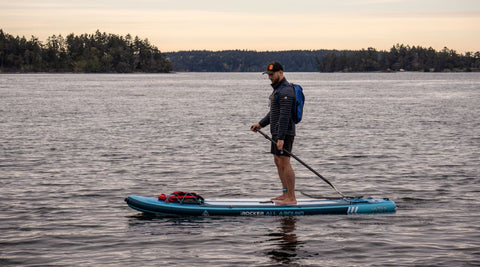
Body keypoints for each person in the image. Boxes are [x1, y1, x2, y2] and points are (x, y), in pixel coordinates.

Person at [251, 62, 297, 205]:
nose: (269, 77)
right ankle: (285, 193)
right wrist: (260, 124)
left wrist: (281, 138)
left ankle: (291, 197)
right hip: (276, 132)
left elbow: (284, 116)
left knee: (285, 162)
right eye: (268, 75)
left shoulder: (287, 91)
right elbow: (274, 113)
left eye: (272, 74)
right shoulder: (278, 90)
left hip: (285, 133)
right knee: (278, 161)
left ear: (280, 73)